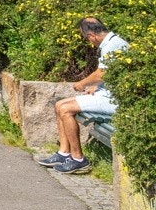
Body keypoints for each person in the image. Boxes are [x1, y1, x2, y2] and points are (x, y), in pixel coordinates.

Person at [35, 16, 130, 174]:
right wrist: (97, 87)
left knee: (66, 109)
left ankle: (78, 159)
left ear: (91, 35)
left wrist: (83, 84)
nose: (89, 43)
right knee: (59, 105)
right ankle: (64, 153)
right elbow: (113, 73)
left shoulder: (114, 45)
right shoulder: (111, 43)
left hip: (114, 100)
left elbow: (102, 73)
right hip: (106, 94)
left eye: (87, 39)